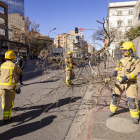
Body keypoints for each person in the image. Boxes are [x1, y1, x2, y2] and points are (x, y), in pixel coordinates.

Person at [108, 41, 140, 124]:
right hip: (119, 82)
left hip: (130, 83)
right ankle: (112, 111)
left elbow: (137, 70)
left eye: (125, 50)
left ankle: (135, 117)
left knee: (132, 100)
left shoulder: (136, 60)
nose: (123, 51)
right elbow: (118, 67)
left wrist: (127, 77)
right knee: (115, 97)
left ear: (130, 50)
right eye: (123, 50)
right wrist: (115, 71)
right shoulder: (122, 59)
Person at [0, 50, 23, 125]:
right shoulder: (14, 65)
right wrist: (19, 67)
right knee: (9, 102)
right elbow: (20, 72)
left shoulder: (2, 65)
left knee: (3, 100)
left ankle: (5, 113)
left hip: (1, 86)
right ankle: (7, 118)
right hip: (10, 87)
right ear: (12, 57)